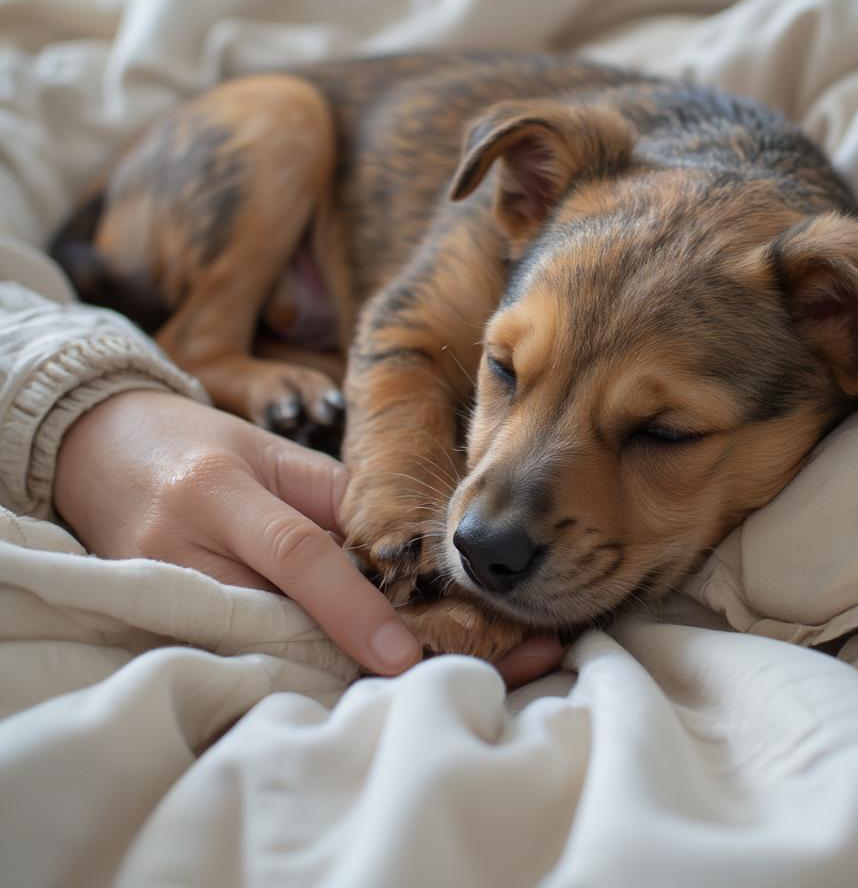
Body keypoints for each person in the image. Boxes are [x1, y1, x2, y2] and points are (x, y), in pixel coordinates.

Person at [0, 238, 562, 687]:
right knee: (283, 120)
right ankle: (211, 348)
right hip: (267, 223)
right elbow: (399, 334)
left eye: (655, 434)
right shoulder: (512, 239)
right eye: (506, 371)